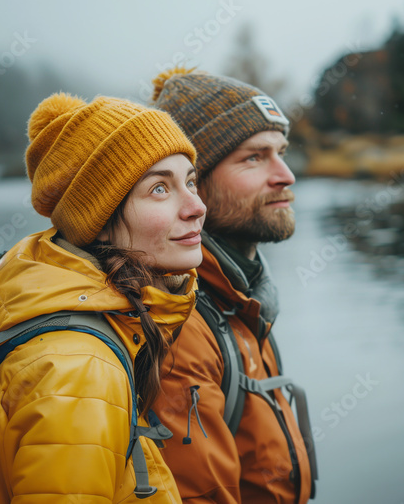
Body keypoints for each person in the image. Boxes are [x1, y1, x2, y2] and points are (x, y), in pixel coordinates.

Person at [0, 93, 206, 503]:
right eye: (159, 189)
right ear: (96, 221)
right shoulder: (80, 373)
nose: (196, 206)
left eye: (189, 181)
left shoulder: (91, 324)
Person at [149, 68, 315, 503]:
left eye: (281, 152)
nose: (285, 175)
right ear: (191, 184)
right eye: (254, 157)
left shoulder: (237, 296)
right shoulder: (179, 327)